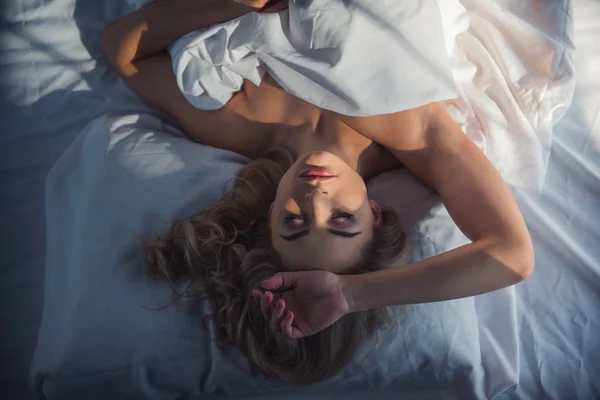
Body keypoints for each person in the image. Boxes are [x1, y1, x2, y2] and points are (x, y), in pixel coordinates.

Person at [102, 0, 534, 385]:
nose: (314, 198)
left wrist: (242, 7)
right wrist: (348, 296)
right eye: (341, 220)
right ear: (376, 213)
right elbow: (512, 255)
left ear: (269, 214)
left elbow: (121, 49)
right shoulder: (415, 135)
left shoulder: (239, 125)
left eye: (293, 222)